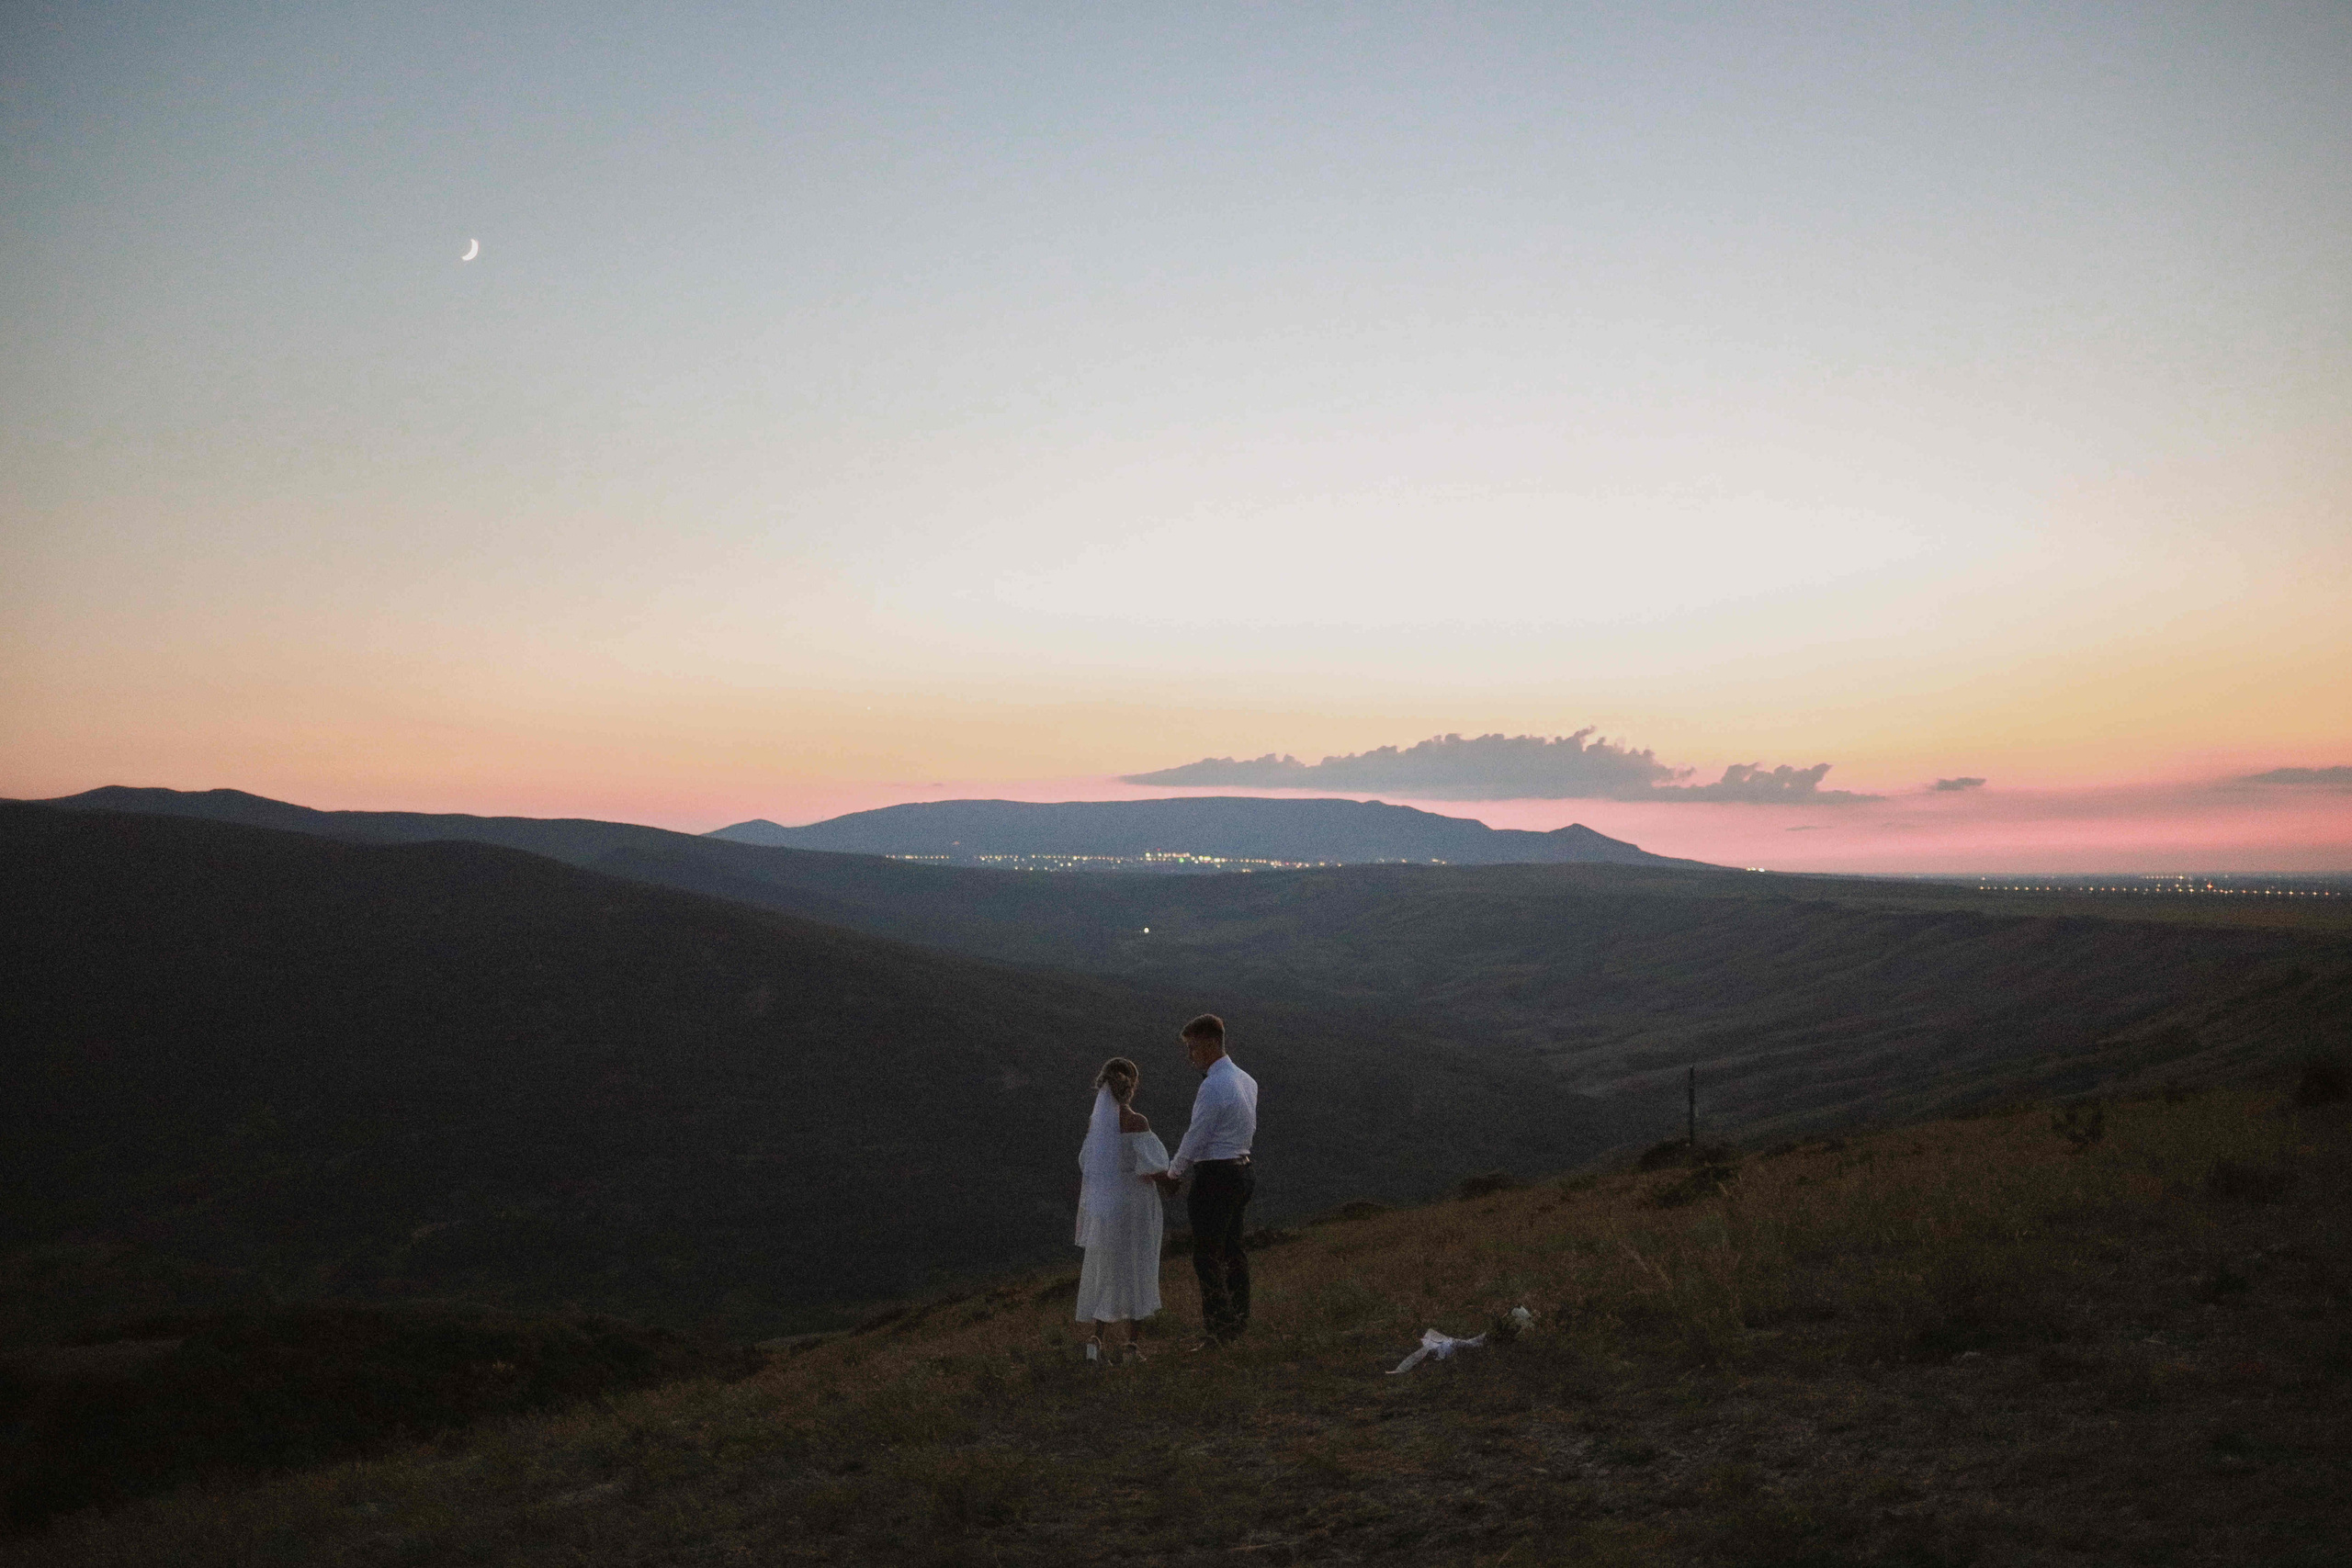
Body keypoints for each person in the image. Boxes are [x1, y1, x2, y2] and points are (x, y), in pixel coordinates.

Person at [1153, 1013, 1259, 1346]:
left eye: (1193, 1047)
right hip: (1242, 1169)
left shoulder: (1213, 1085)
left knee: (1207, 1255)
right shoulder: (1247, 1080)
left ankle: (1219, 1329)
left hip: (1215, 1175)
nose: (1191, 1056)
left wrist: (1173, 1172)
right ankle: (1238, 1321)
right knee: (1233, 1250)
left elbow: (1196, 1135)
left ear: (1211, 1043)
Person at [1073, 1056, 1170, 1362]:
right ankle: (1132, 1345)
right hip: (1136, 1203)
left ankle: (1096, 1339)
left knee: (1107, 1268)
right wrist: (1173, 1181)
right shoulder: (1137, 1123)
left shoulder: (1097, 1127)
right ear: (1131, 1088)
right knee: (1139, 1265)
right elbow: (1153, 1168)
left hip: (1107, 1205)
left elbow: (1087, 1164)